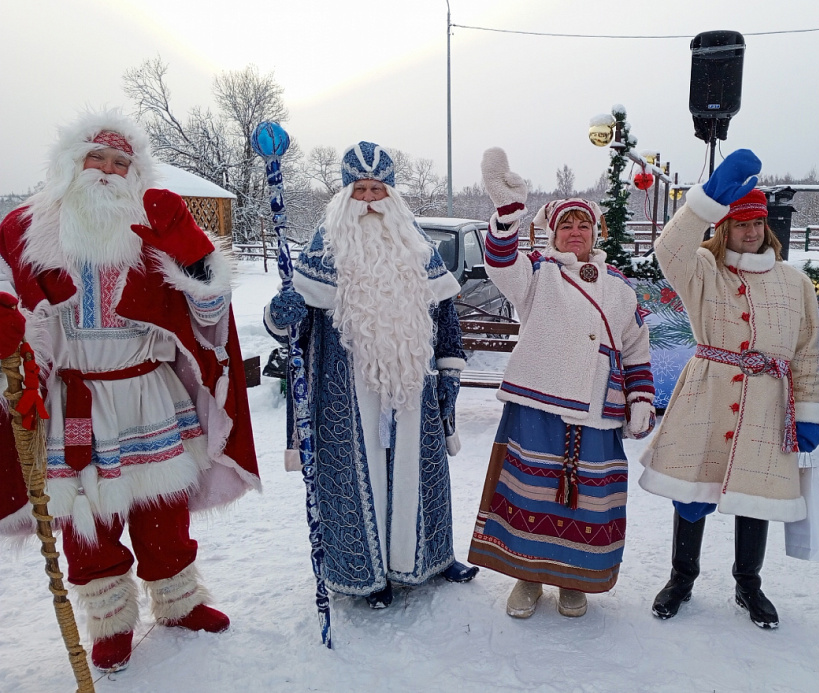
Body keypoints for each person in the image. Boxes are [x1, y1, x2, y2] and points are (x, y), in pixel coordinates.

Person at [0, 110, 260, 671]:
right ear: (72, 162)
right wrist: (14, 345)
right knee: (87, 515)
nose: (109, 171)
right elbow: (18, 324)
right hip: (78, 398)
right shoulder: (24, 231)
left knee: (163, 506)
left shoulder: (153, 229)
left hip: (149, 390)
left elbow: (211, 318)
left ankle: (178, 601)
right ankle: (111, 621)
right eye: (98, 157)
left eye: (122, 163)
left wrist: (196, 256)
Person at [264, 141, 478, 610]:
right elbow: (291, 328)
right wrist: (281, 314)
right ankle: (365, 573)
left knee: (421, 472)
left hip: (410, 385)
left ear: (392, 194)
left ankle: (432, 558)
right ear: (344, 195)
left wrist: (449, 370)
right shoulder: (323, 248)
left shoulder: (417, 247)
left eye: (376, 189)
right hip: (346, 389)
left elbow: (445, 318)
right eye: (359, 190)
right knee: (356, 478)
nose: (368, 199)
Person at [639, 150, 819, 629]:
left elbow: (806, 350)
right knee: (692, 491)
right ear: (724, 226)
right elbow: (668, 250)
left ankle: (749, 583)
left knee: (755, 493)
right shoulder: (704, 269)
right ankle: (682, 576)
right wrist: (704, 203)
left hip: (768, 402)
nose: (751, 232)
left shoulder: (795, 283)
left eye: (757, 223)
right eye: (740, 223)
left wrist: (807, 410)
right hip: (708, 392)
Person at [467, 148, 655, 619]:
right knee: (530, 491)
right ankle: (527, 577)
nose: (576, 232)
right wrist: (507, 215)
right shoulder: (535, 274)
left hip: (597, 411)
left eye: (583, 225)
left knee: (588, 499)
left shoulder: (621, 288)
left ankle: (574, 580)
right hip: (538, 405)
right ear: (554, 233)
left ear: (596, 233)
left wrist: (640, 397)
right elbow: (499, 262)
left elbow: (635, 348)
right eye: (567, 225)